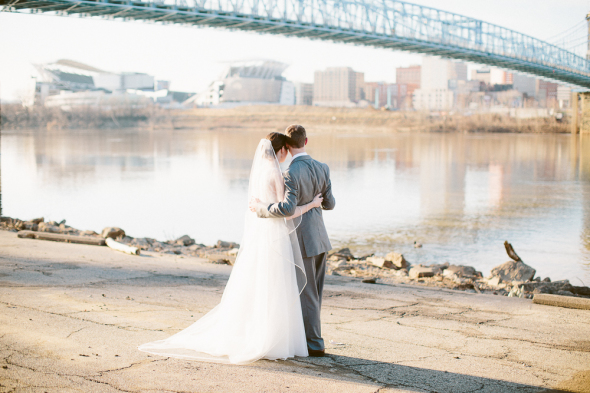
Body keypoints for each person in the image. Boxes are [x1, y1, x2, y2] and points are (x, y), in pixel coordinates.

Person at [138, 132, 322, 365]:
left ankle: (257, 333)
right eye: (285, 149)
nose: (286, 153)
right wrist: (312, 204)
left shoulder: (261, 171)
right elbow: (287, 212)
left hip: (262, 235)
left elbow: (261, 206)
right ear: (282, 150)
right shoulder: (277, 173)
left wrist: (262, 206)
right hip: (275, 237)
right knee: (276, 284)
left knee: (259, 284)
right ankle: (273, 339)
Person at [251, 124, 336, 357]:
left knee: (307, 293)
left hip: (302, 239)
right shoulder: (323, 167)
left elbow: (287, 208)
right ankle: (311, 340)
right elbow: (329, 204)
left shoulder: (289, 173)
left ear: (287, 146)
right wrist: (315, 202)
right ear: (306, 142)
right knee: (315, 293)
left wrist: (261, 208)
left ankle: (315, 344)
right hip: (321, 238)